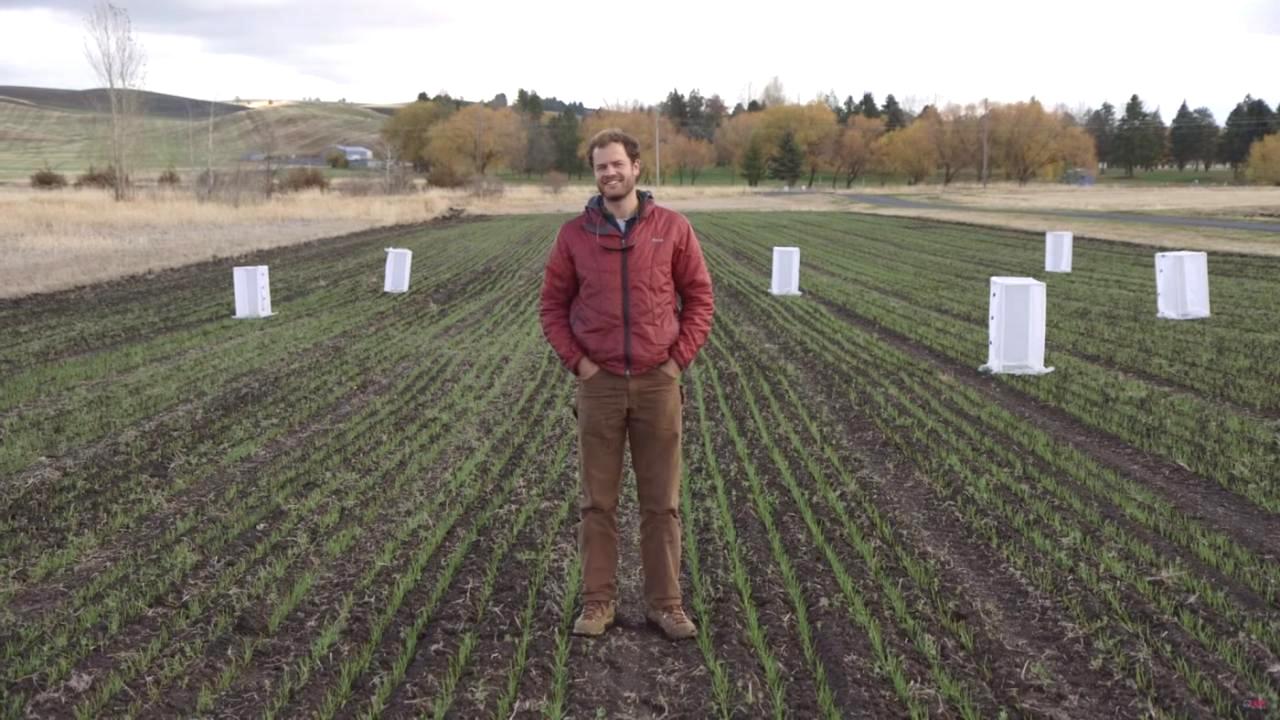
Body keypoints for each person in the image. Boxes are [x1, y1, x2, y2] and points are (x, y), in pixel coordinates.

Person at [539, 128, 715, 640]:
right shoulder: (574, 235)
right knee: (598, 502)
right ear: (594, 174)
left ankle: (667, 605)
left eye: (617, 164)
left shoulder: (673, 229)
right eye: (600, 167)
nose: (609, 173)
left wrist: (676, 362)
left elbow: (700, 299)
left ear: (637, 167)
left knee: (662, 503)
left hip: (659, 384)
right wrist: (581, 364)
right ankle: (598, 603)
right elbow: (551, 306)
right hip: (600, 385)